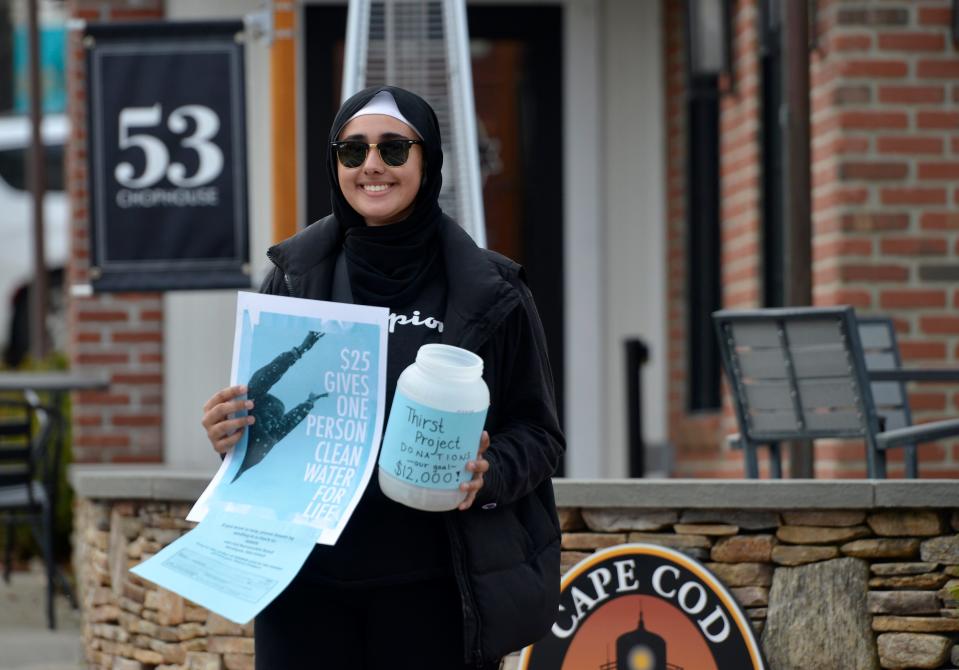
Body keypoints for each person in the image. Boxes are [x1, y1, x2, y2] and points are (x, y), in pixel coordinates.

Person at [201, 86, 565, 669]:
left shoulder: (493, 292)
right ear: (336, 164)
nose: (371, 164)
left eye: (394, 149)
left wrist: (488, 473)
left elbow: (540, 435)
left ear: (428, 162)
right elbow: (263, 423)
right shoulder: (293, 279)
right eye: (353, 151)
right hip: (304, 590)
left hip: (436, 592)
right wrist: (229, 431)